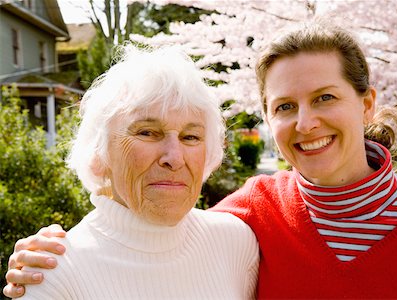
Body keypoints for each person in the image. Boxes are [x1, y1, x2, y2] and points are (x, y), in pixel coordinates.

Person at [4, 19, 397, 299]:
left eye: (325, 97)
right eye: (285, 106)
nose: (306, 123)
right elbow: (150, 223)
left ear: (367, 103)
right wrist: (51, 251)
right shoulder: (253, 215)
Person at [3, 44, 259, 299]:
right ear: (100, 151)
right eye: (147, 132)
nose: (174, 157)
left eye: (190, 137)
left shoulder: (237, 244)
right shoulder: (54, 274)